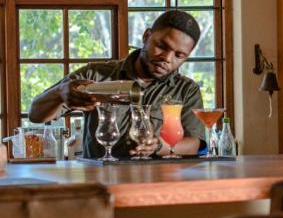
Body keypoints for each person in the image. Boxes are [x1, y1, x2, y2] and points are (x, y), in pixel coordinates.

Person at [29, 10, 205, 159]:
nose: (167, 58)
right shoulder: (95, 75)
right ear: (146, 36)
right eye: (161, 46)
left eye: (179, 55)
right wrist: (60, 92)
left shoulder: (186, 90)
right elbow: (35, 114)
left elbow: (195, 144)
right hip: (99, 179)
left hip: (157, 181)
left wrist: (159, 146)